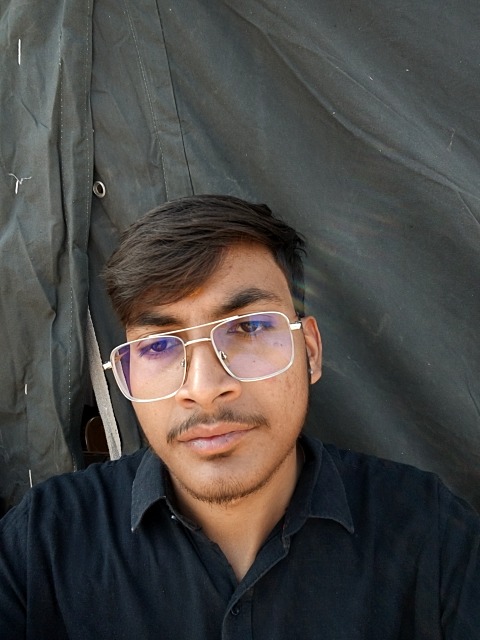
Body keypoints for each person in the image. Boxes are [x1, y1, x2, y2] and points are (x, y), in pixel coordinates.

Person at [0, 195, 479, 639]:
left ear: (310, 352)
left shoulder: (430, 535)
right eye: (159, 346)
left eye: (248, 328)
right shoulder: (43, 545)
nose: (204, 388)